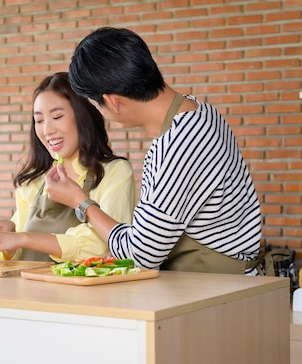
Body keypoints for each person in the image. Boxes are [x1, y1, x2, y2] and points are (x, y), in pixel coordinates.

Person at [45, 27, 264, 275]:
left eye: (96, 104)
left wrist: (81, 202)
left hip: (214, 289)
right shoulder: (200, 111)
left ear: (114, 101)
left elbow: (141, 254)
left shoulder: (177, 147)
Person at [0, 72, 135, 265]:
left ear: (83, 116)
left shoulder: (115, 172)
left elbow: (102, 245)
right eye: (39, 121)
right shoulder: (33, 182)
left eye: (57, 116)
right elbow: (18, 255)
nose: (47, 130)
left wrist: (24, 237)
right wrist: (8, 236)